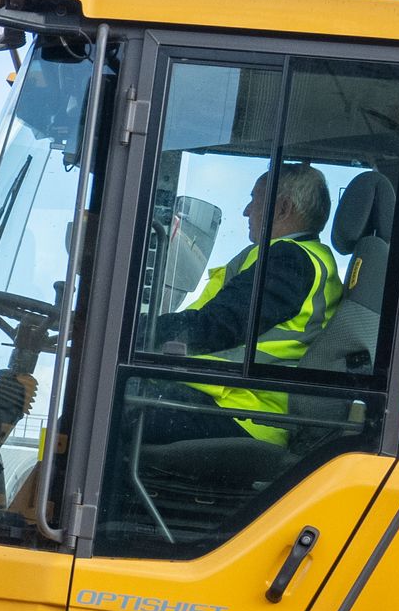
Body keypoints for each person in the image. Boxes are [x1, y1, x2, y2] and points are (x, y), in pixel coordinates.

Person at [142, 161, 343, 445]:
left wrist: (129, 332)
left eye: (253, 200)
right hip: (236, 403)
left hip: (244, 411)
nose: (246, 211)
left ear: (283, 208)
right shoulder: (305, 259)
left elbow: (218, 327)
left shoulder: (290, 260)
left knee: (111, 408)